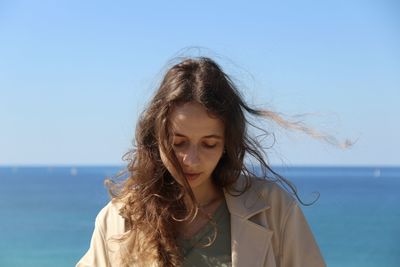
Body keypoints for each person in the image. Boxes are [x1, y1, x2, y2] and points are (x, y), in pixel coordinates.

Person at [76, 57, 327, 267]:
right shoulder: (117, 220)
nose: (192, 160)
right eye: (178, 143)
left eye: (209, 144)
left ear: (227, 144)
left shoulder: (274, 210)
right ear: (157, 139)